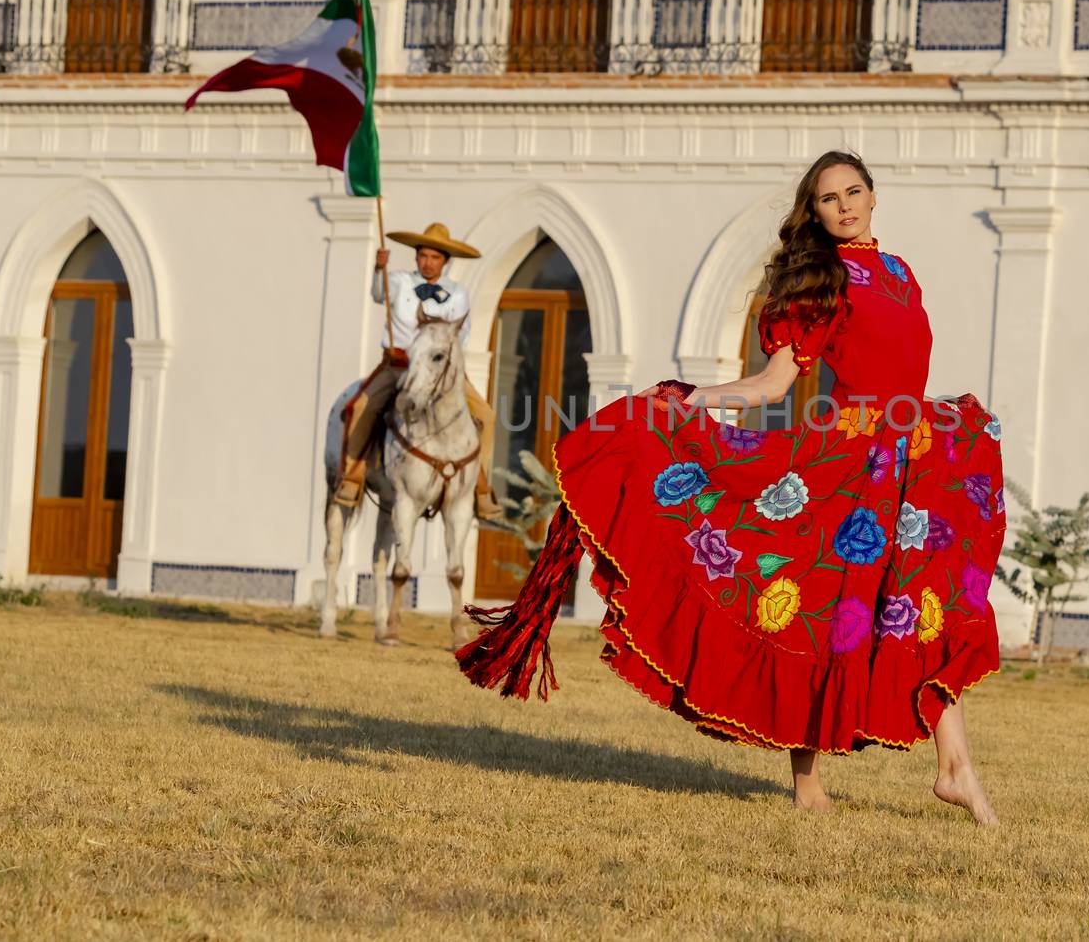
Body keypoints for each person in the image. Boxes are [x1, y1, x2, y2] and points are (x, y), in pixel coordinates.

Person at [457, 152, 1004, 825]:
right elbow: (774, 385)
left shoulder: (899, 273)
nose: (845, 205)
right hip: (849, 461)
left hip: (913, 456)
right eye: (830, 197)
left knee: (919, 604)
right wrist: (699, 397)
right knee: (817, 602)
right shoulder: (819, 282)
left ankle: (954, 767)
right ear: (816, 210)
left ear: (872, 195)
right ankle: (812, 784)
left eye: (854, 191)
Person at [334, 221, 503, 519]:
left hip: (440, 371)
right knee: (359, 405)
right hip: (398, 364)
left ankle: (480, 488)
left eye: (435, 257)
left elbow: (460, 336)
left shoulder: (458, 295)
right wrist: (378, 269)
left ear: (445, 261)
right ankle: (352, 475)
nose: (428, 263)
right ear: (416, 257)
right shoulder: (398, 281)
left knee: (486, 416)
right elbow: (377, 294)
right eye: (423, 256)